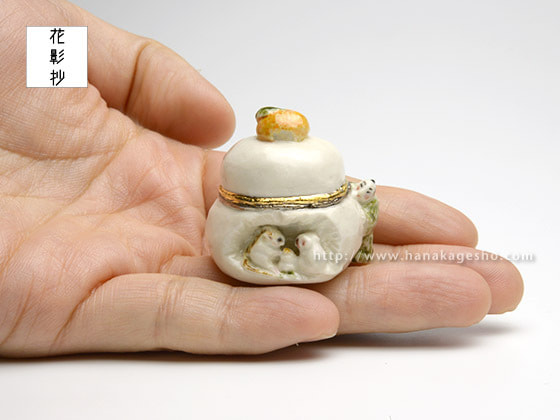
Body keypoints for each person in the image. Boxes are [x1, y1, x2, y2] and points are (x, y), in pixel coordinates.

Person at [0, 0, 523, 357]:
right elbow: (41, 37)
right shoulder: (235, 206)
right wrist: (39, 31)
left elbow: (42, 34)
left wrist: (40, 27)